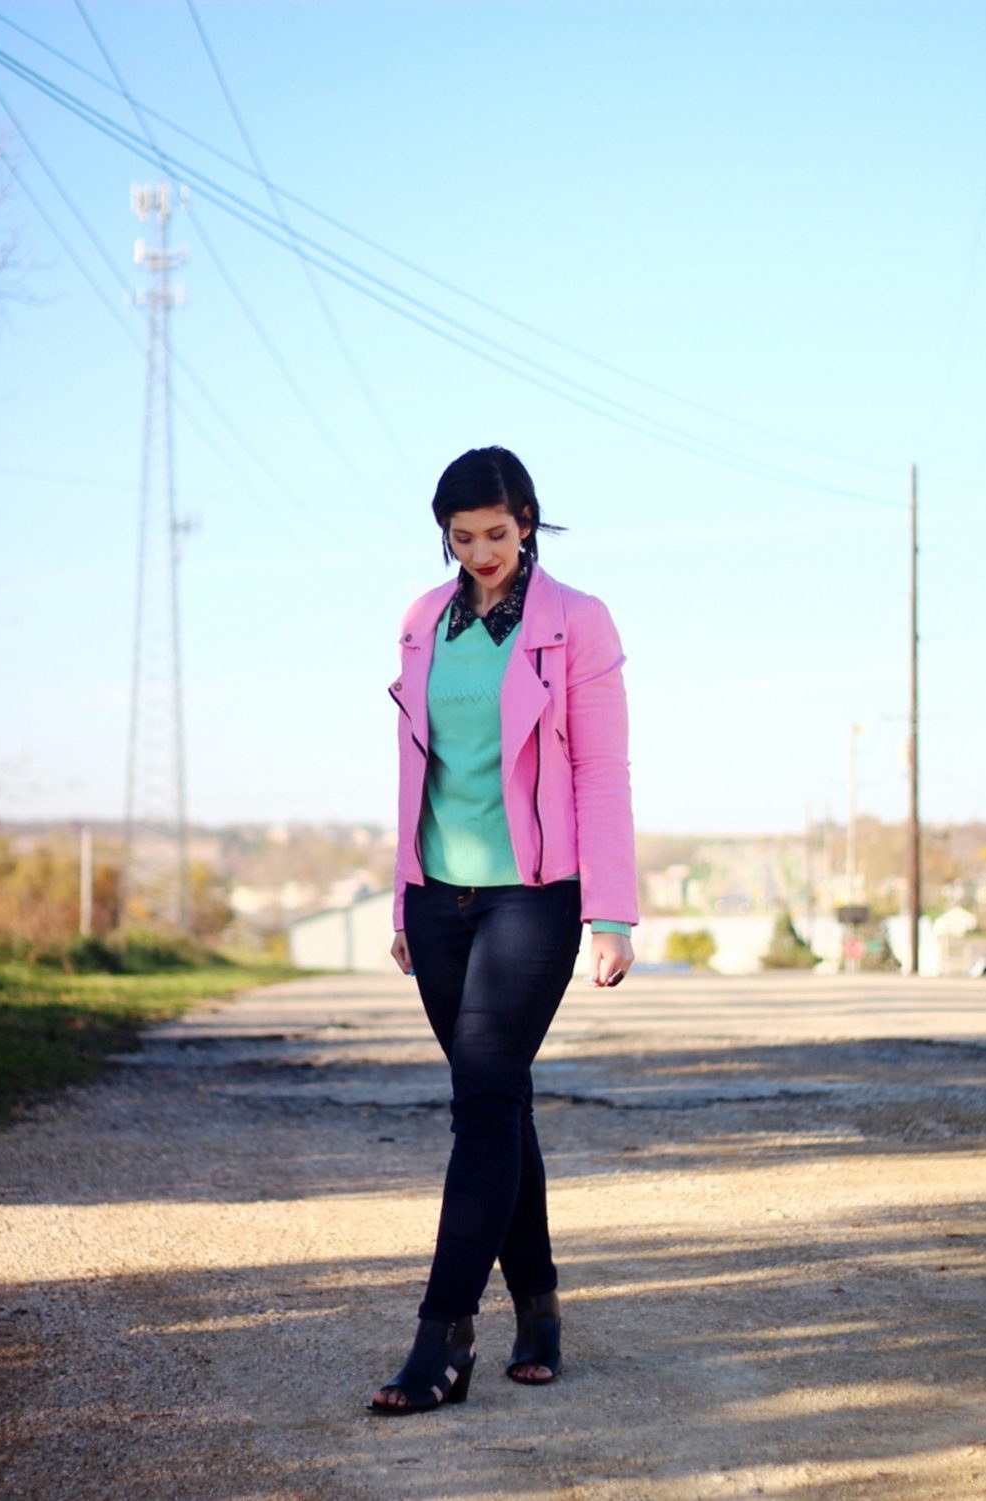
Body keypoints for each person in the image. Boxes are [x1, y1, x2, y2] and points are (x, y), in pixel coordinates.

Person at [368, 445, 638, 1415]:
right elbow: (416, 774)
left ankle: (440, 1338)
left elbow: (600, 772)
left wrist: (609, 912)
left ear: (526, 518)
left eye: (495, 531)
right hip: (439, 896)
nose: (480, 551)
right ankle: (539, 1309)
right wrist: (403, 895)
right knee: (498, 1099)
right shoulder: (418, 623)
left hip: (535, 893)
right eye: (461, 536)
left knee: (480, 1106)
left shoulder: (576, 621)